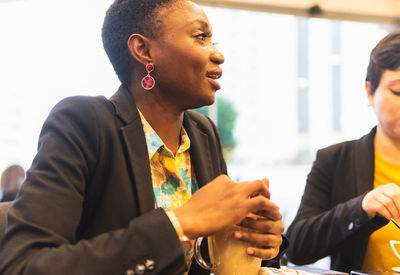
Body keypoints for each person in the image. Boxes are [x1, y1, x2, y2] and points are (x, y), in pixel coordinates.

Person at [0, 0, 287, 274]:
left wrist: (253, 240)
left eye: (213, 41)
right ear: (143, 50)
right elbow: (26, 264)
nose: (218, 54)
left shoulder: (202, 132)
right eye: (201, 37)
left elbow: (203, 258)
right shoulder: (84, 123)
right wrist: (180, 223)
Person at [286, 29, 400, 273]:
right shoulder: (335, 161)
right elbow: (296, 246)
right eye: (398, 91)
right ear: (370, 91)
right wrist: (360, 208)